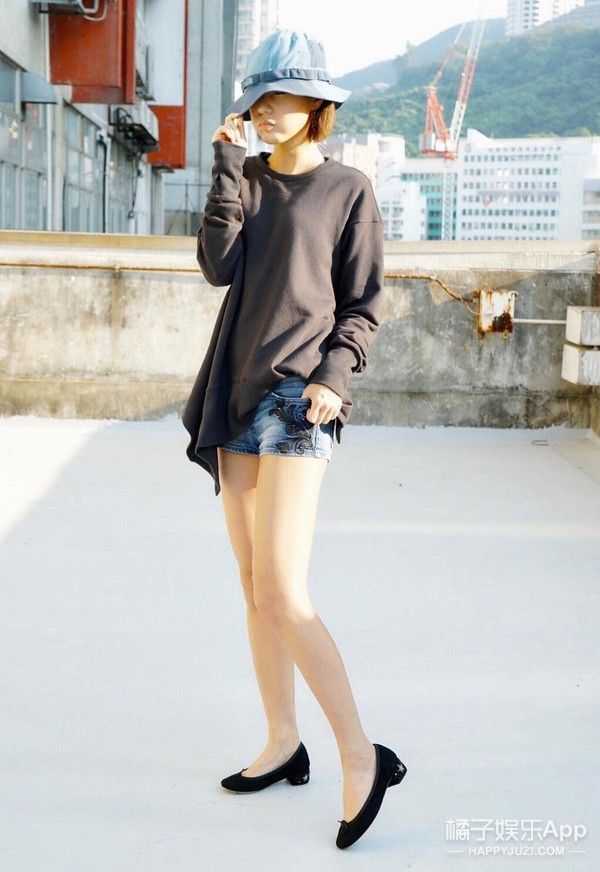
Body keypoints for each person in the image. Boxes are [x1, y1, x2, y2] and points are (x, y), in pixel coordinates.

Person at [182, 28, 407, 849]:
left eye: (284, 98)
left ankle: (361, 755)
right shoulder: (244, 178)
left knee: (283, 590)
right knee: (253, 586)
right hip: (234, 397)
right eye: (260, 99)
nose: (269, 111)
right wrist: (223, 167)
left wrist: (333, 376)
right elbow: (217, 265)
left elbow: (364, 301)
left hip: (299, 399)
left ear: (318, 104)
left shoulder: (348, 188)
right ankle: (283, 742)